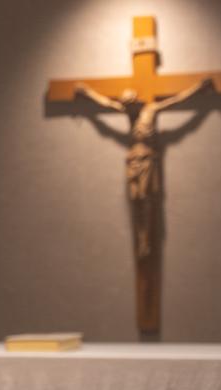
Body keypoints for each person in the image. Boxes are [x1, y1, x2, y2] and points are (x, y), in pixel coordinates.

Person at [74, 78, 212, 259]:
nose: (127, 110)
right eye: (125, 106)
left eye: (130, 106)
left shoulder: (151, 110)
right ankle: (140, 238)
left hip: (148, 160)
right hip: (133, 160)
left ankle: (146, 239)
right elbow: (107, 104)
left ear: (136, 101)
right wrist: (87, 93)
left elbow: (177, 100)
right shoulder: (128, 113)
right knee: (136, 199)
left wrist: (198, 88)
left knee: (146, 199)